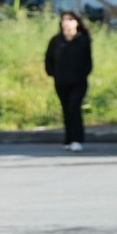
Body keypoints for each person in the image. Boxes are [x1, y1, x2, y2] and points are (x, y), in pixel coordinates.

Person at [45, 11, 93, 152]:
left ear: (77, 22)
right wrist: (52, 73)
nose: (67, 22)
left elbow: (88, 62)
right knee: (66, 110)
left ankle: (77, 139)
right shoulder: (56, 41)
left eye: (70, 19)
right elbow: (49, 59)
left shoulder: (83, 40)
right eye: (64, 20)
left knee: (74, 108)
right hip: (61, 81)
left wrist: (82, 75)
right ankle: (68, 139)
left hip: (78, 82)